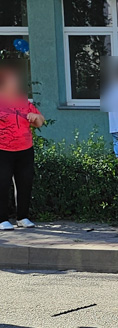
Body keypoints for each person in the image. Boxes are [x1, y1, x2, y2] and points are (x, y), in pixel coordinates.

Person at [0, 65, 44, 230]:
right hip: (3, 150)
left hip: (25, 149)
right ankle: (2, 219)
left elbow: (40, 122)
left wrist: (36, 117)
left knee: (25, 183)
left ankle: (22, 217)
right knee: (2, 183)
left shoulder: (24, 102)